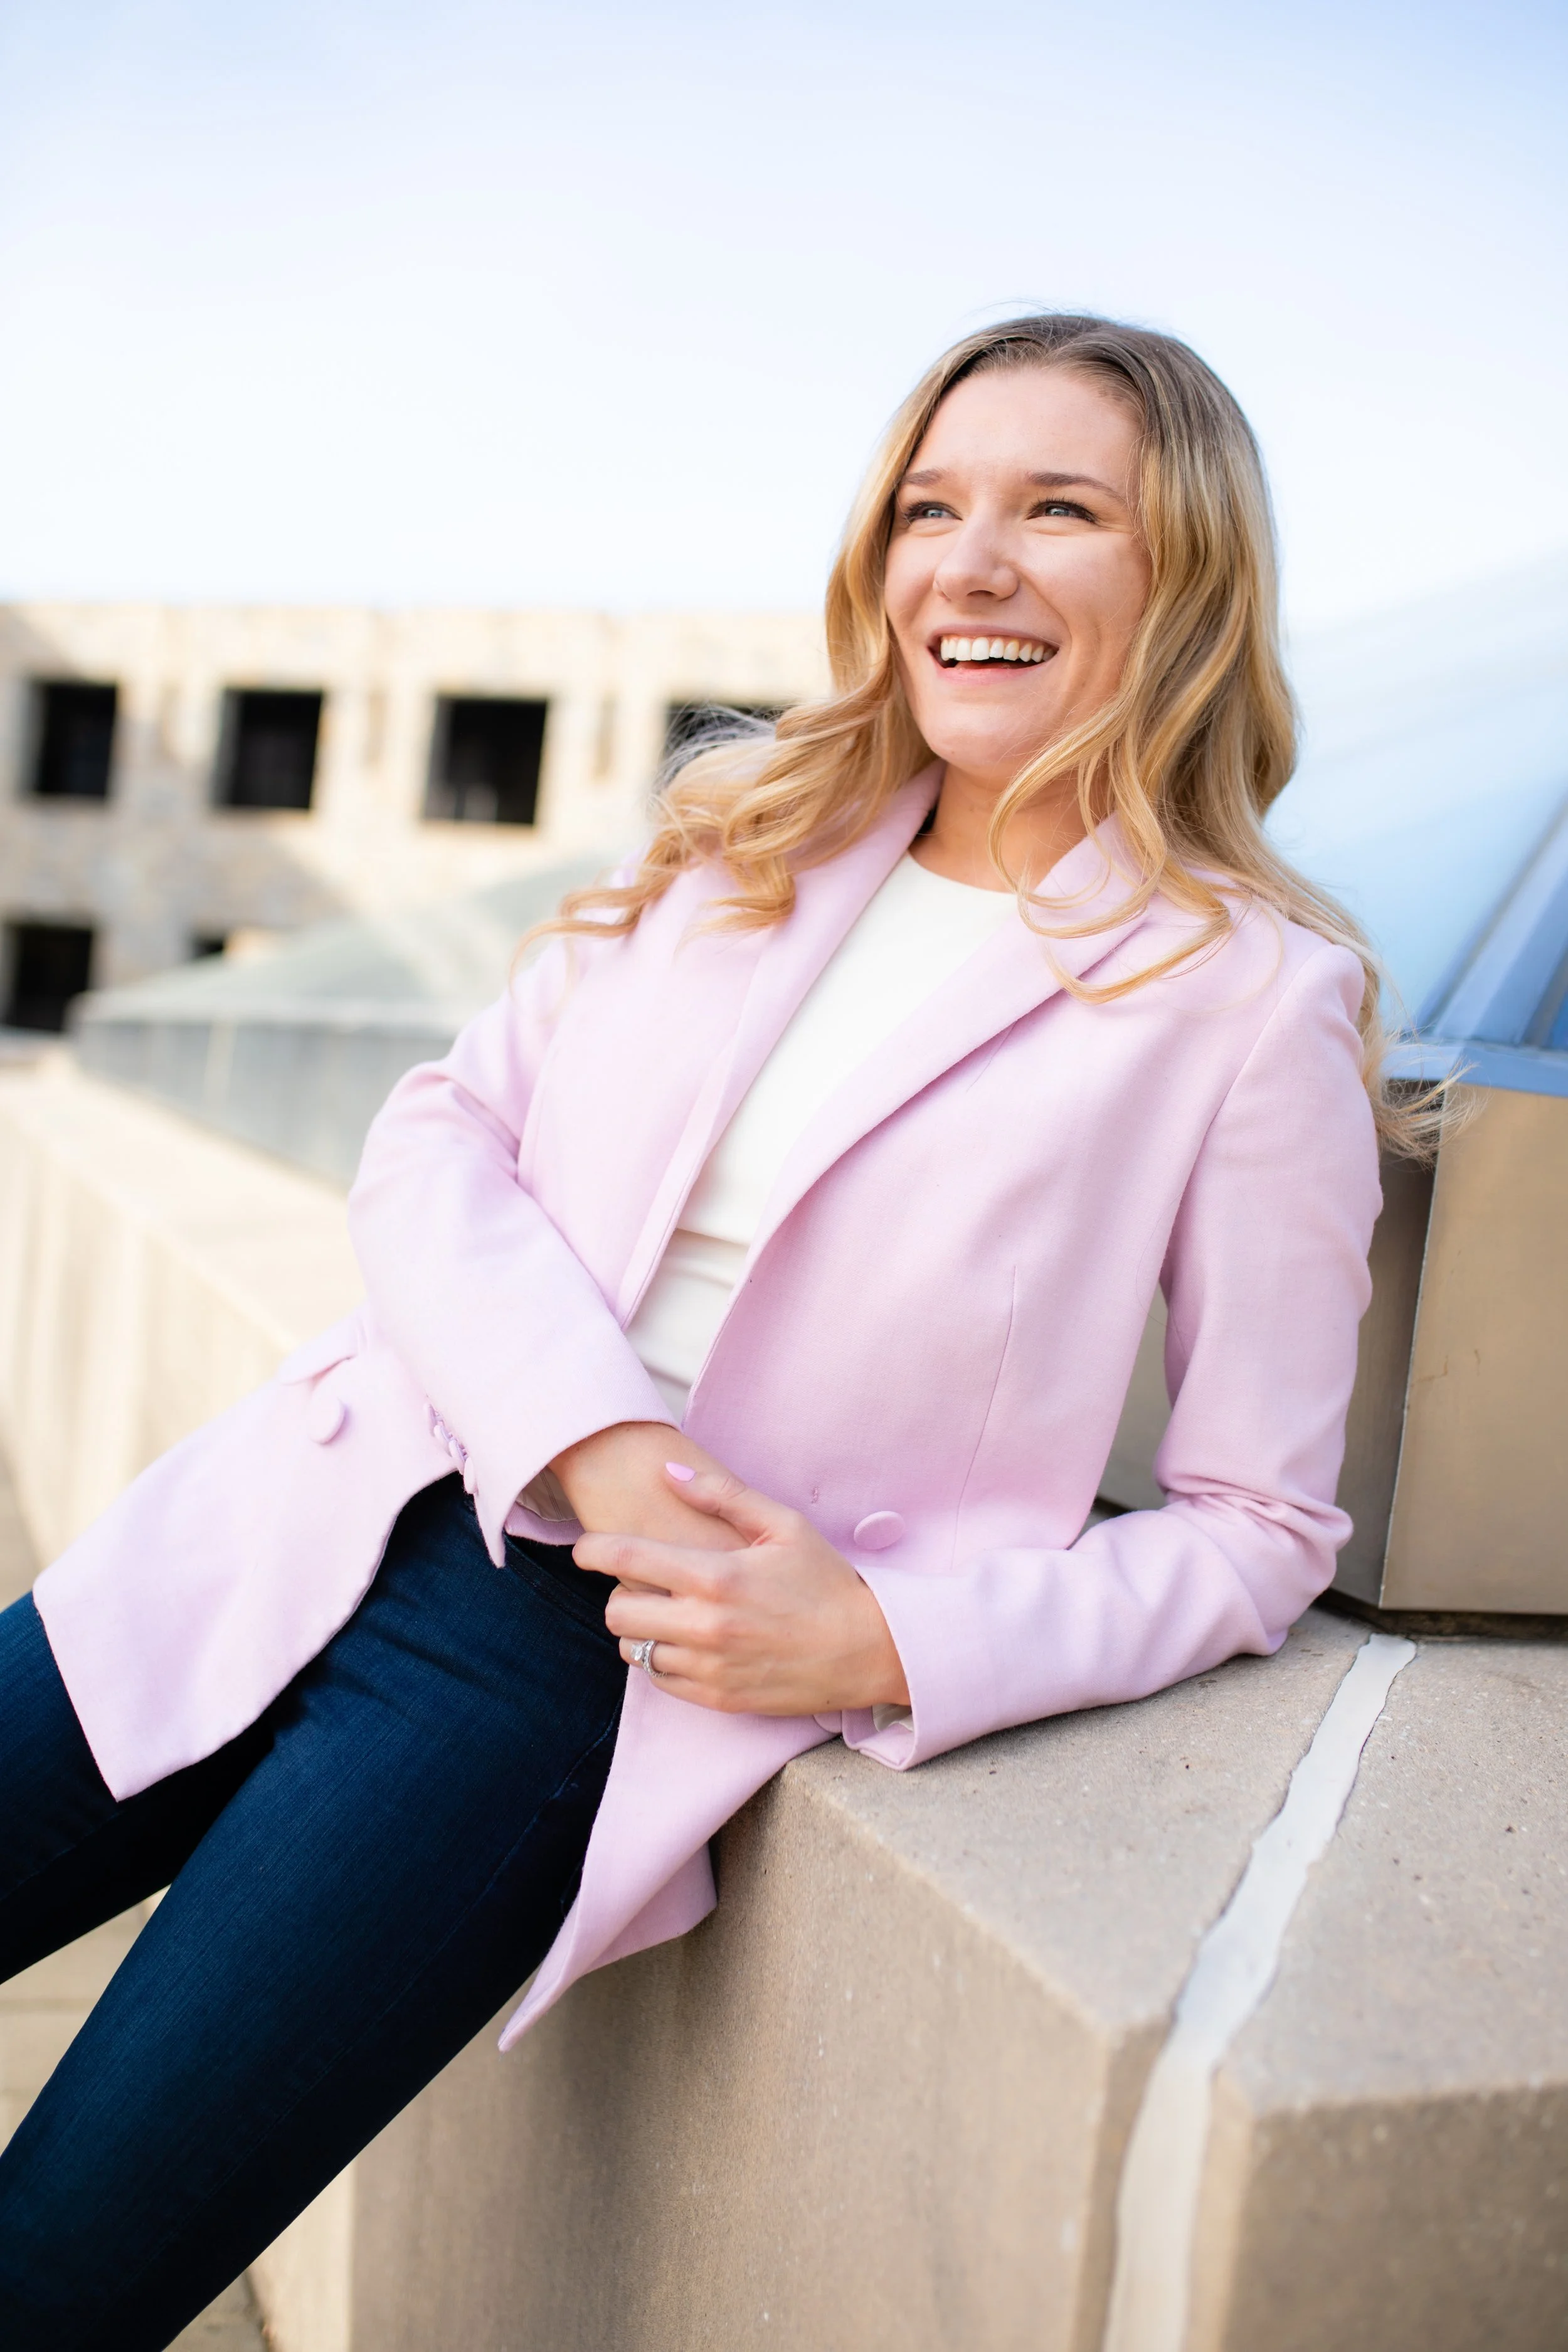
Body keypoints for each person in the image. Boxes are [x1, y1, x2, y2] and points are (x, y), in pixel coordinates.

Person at [0, 313, 1414, 2349]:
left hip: (543, 1682)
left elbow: (1263, 1520)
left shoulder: (1242, 996)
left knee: (57, 2262)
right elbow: (437, 1129)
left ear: (1183, 572)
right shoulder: (746, 825)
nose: (970, 564)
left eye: (1055, 512)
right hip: (311, 1499)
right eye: (930, 508)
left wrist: (899, 1639)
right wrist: (582, 1422)